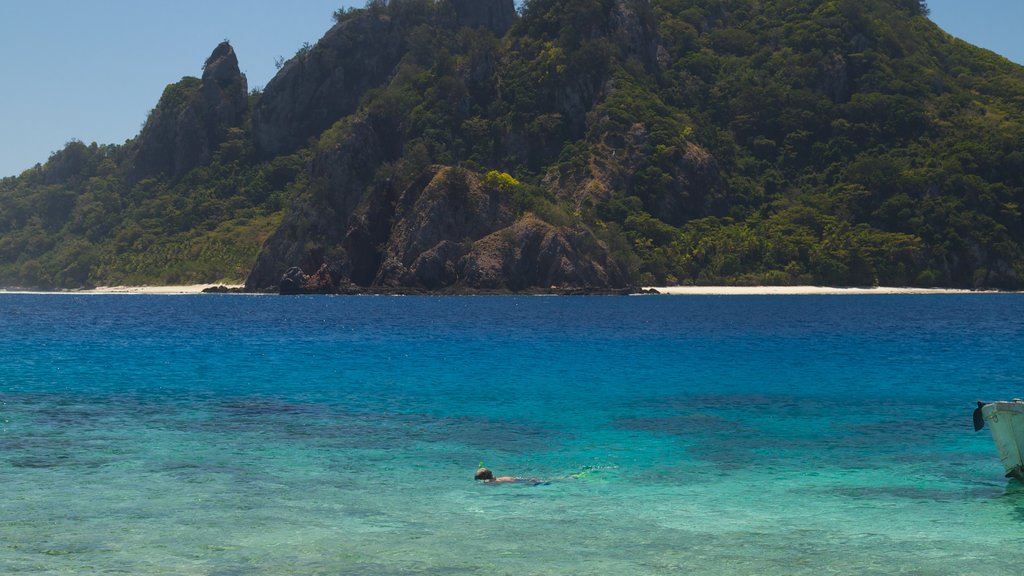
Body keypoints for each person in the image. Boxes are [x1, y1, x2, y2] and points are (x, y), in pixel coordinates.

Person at [474, 467, 543, 484]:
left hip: (512, 480)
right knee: (527, 480)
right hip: (510, 478)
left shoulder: (490, 482)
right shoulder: (492, 479)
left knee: (529, 481)